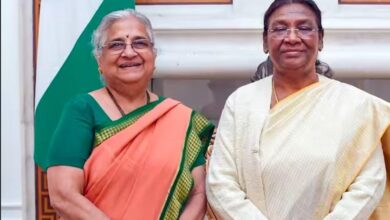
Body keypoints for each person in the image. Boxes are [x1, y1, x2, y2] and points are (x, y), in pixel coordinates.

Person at [206, 0, 390, 219]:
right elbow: (220, 183)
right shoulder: (240, 102)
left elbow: (369, 183)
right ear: (265, 41)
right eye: (280, 28)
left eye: (304, 28)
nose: (292, 38)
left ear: (320, 39)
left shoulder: (356, 106)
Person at [46, 9, 214, 220]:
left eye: (140, 43)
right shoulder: (82, 110)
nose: (129, 52)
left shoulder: (180, 118)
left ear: (153, 55)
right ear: (99, 59)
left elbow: (198, 194)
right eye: (116, 44)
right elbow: (63, 195)